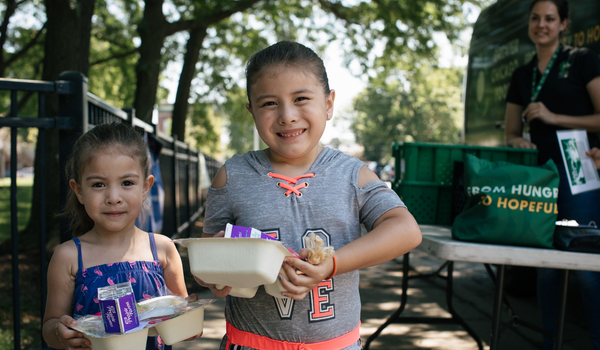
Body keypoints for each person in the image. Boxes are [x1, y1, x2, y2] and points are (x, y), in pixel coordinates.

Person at [197, 41, 422, 350]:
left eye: (301, 98)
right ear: (251, 111)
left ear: (328, 104)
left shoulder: (352, 175)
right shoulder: (233, 176)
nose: (287, 116)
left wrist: (332, 264)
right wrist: (217, 277)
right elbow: (208, 258)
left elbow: (406, 230)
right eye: (269, 103)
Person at [42, 123, 198, 350]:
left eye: (126, 183)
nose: (113, 197)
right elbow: (50, 325)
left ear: (145, 187)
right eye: (98, 184)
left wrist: (189, 323)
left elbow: (182, 318)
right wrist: (60, 331)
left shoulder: (163, 250)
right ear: (78, 191)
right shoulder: (68, 257)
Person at [504, 1, 600, 349]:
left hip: (580, 172)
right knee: (546, 267)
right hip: (539, 179)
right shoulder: (522, 74)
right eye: (535, 18)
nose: (541, 25)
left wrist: (555, 117)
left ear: (563, 24)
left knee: (587, 267)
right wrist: (518, 140)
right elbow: (511, 131)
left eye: (549, 19)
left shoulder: (581, 59)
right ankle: (550, 344)